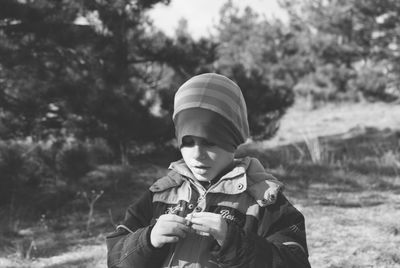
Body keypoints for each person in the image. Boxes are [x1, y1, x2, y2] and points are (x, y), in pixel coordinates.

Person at [106, 73, 311, 268]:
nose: (197, 154)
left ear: (232, 140)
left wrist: (233, 242)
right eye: (188, 142)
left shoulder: (265, 200)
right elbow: (115, 258)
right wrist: (148, 240)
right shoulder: (160, 194)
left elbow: (295, 261)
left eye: (210, 143)